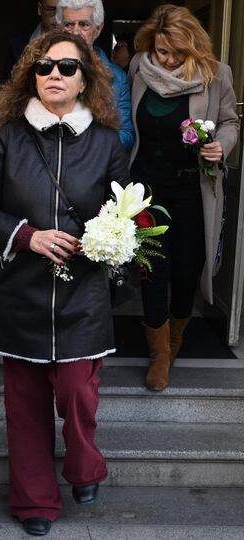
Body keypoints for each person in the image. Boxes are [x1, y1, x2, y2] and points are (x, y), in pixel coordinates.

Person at [0, 31, 129, 537]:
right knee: (25, 401)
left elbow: (125, 212)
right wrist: (27, 237)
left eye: (66, 67)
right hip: (21, 291)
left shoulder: (105, 142)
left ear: (87, 79)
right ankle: (35, 500)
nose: (53, 74)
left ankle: (84, 466)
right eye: (43, 66)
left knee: (78, 390)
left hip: (83, 294)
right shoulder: (5, 136)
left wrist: (108, 238)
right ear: (29, 76)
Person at [128, 4, 239, 391]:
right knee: (151, 267)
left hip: (192, 188)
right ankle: (159, 354)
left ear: (193, 47)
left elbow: (229, 121)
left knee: (187, 268)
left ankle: (175, 341)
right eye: (163, 52)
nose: (170, 60)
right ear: (151, 46)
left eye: (178, 53)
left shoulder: (215, 74)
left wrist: (220, 147)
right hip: (145, 189)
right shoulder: (139, 69)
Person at [56, 0, 135, 151]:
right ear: (59, 28)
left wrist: (90, 148)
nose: (75, 32)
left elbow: (127, 135)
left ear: (98, 29)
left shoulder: (117, 77)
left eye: (84, 24)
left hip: (97, 167)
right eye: (68, 24)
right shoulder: (44, 70)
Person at [3, 0, 59, 80]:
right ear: (40, 9)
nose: (57, 16)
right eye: (51, 9)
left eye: (62, 9)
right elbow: (8, 86)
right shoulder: (17, 46)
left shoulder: (77, 44)